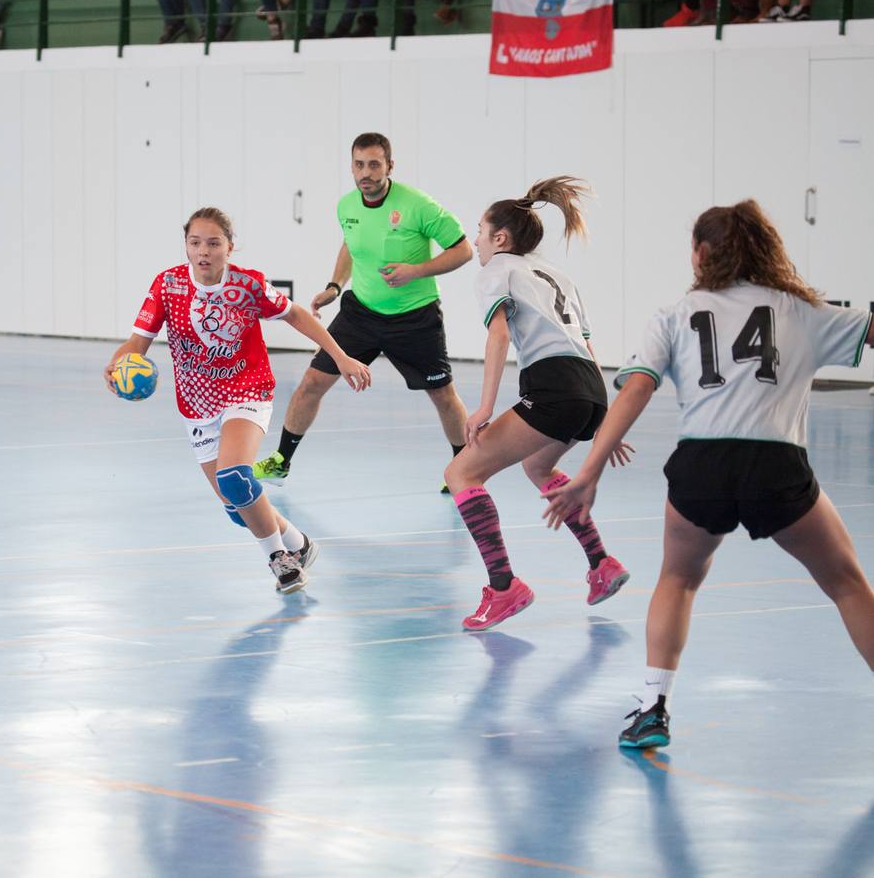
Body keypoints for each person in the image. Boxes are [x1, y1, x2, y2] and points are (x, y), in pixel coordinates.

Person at [542, 199, 874, 748]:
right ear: (765, 250)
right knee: (847, 584)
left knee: (678, 580)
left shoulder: (675, 313)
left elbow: (636, 390)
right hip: (776, 466)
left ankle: (653, 708)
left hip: (701, 467)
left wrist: (588, 471)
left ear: (699, 253)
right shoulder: (801, 311)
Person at [104, 207, 373, 594]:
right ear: (186, 246)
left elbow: (296, 315)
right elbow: (138, 342)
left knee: (235, 476)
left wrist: (341, 356)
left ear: (229, 247)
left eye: (214, 243)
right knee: (237, 509)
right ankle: (299, 543)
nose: (204, 251)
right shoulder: (168, 285)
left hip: (247, 390)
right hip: (197, 404)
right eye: (195, 242)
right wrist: (118, 363)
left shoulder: (247, 286)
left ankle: (281, 560)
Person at [442, 177, 633, 632]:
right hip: (590, 386)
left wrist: (484, 406)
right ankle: (601, 564)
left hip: (553, 386)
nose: (476, 241)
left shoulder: (496, 271)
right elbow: (585, 345)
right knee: (539, 469)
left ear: (500, 238)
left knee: (461, 473)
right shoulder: (557, 276)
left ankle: (504, 587)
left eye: (480, 232)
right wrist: (605, 420)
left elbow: (500, 334)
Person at [253, 132, 473, 491]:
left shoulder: (419, 205)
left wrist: (416, 271)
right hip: (361, 314)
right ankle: (281, 461)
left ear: (390, 165)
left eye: (374, 164)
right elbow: (350, 246)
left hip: (415, 317)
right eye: (359, 165)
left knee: (443, 395)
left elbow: (463, 251)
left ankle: (464, 469)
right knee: (310, 384)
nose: (366, 173)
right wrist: (335, 286)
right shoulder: (347, 207)